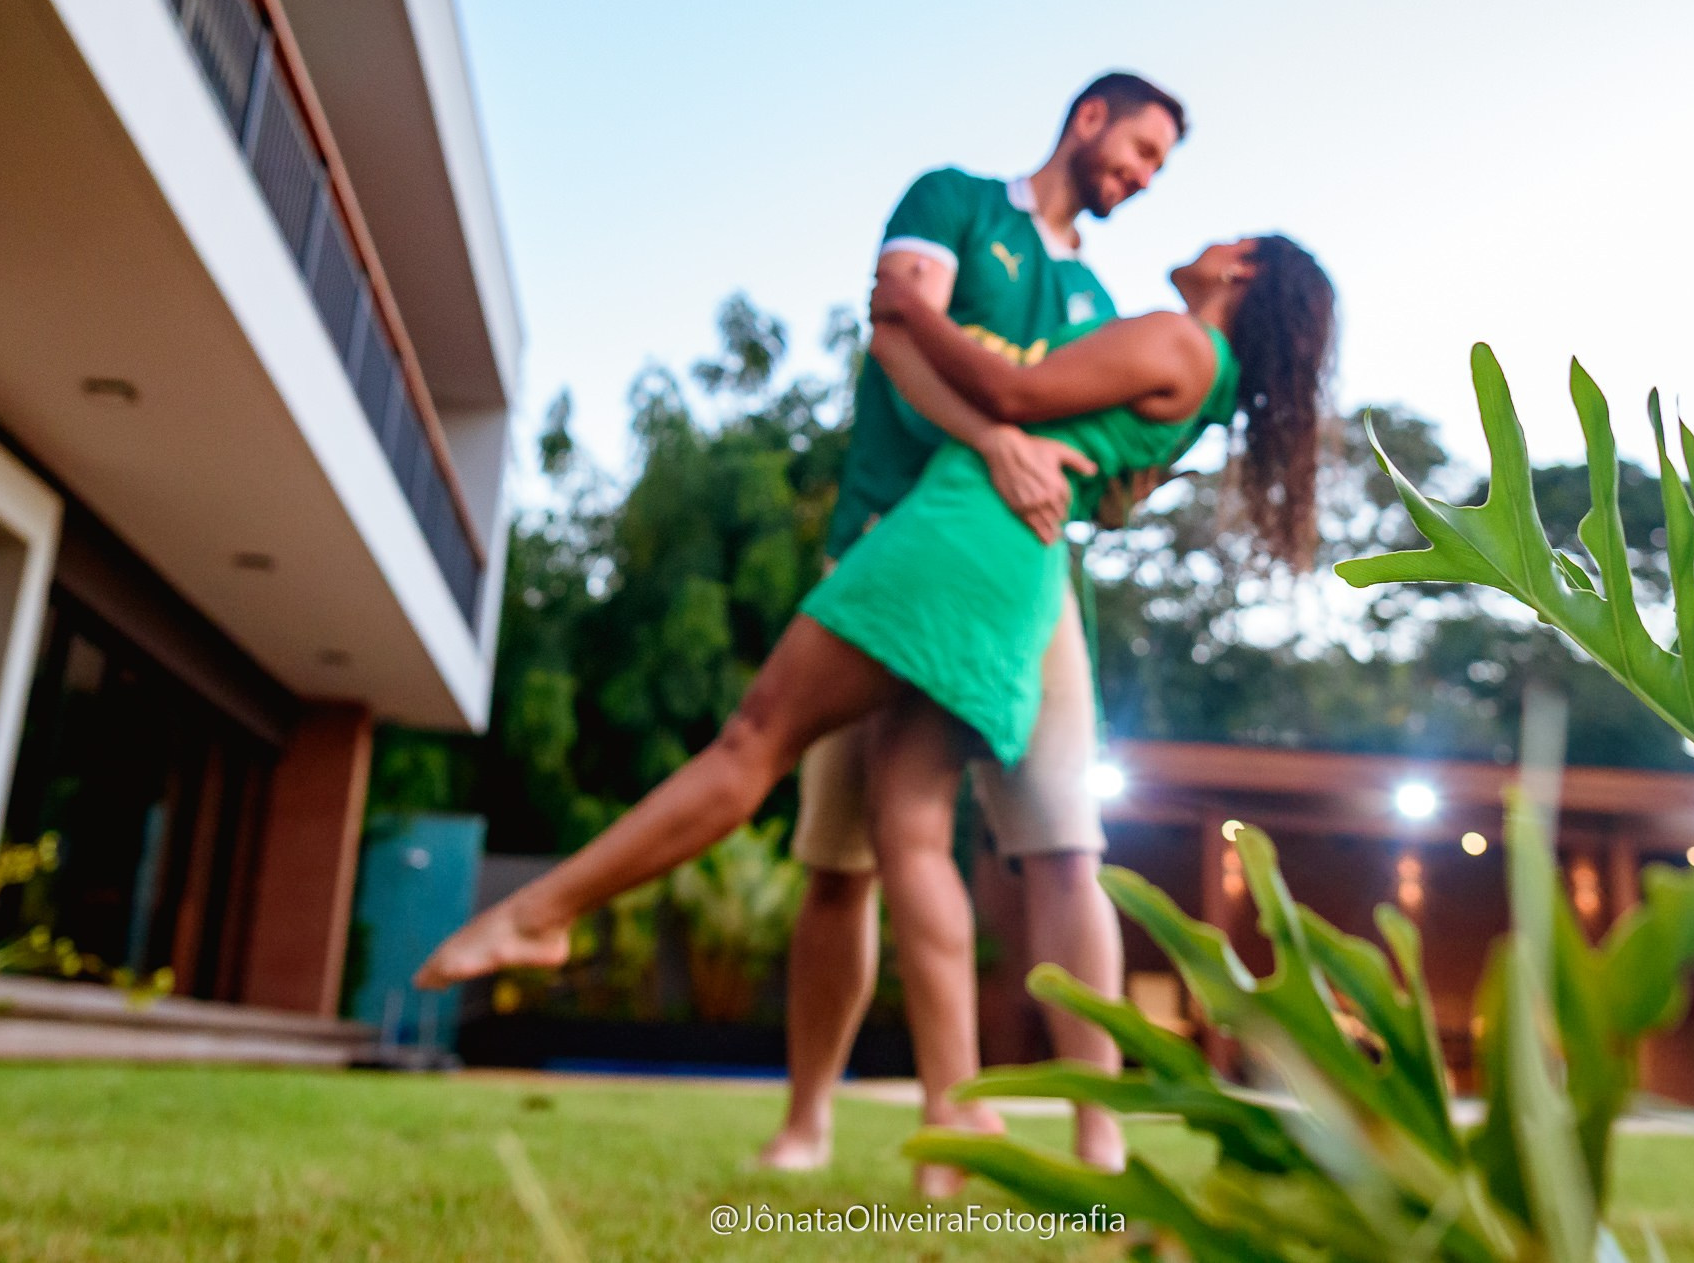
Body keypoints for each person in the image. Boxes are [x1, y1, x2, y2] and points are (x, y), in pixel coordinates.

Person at [414, 234, 1341, 1171]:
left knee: (756, 738)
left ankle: (545, 911)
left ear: (1245, 271)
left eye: (1229, 239)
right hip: (1013, 570)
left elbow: (1011, 394)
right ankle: (957, 1116)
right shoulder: (1213, 388)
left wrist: (916, 313)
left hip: (960, 537)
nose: (1204, 241)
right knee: (907, 818)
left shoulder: (1179, 342)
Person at [763, 73, 1188, 1181]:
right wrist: (993, 436)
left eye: (1159, 168)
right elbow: (899, 331)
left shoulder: (1104, 310)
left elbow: (1094, 469)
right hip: (882, 555)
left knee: (1066, 850)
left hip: (1025, 591)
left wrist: (1120, 483)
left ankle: (1096, 1128)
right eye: (1140, 148)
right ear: (1088, 117)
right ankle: (809, 1119)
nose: (1143, 178)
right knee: (839, 863)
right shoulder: (954, 201)